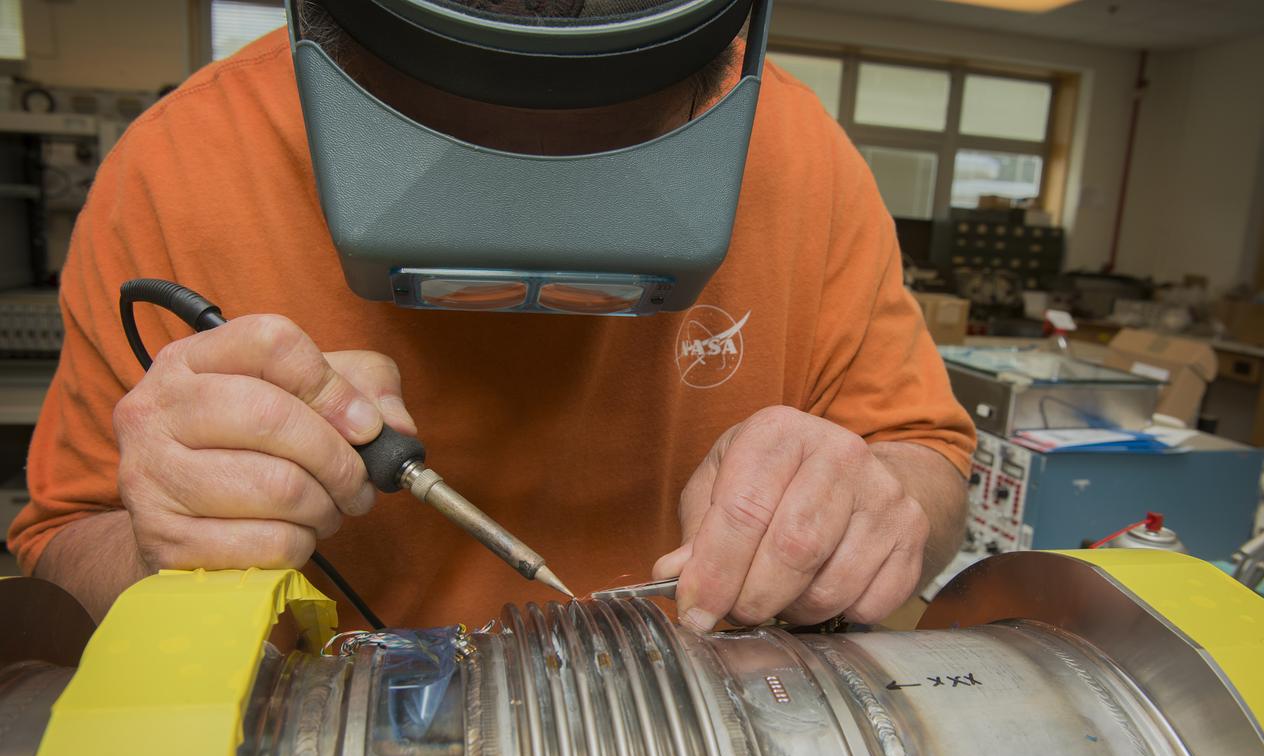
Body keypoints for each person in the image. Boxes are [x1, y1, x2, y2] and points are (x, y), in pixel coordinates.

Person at [8, 1, 975, 631]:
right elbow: (61, 546)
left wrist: (868, 502)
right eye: (455, 149)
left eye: (605, 163)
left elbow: (927, 463)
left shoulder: (801, 159)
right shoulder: (177, 168)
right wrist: (161, 548)